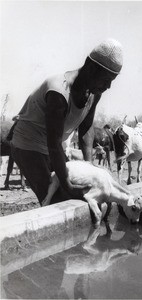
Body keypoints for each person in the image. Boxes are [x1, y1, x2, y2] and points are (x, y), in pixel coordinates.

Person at [11, 38, 123, 205]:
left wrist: (89, 166)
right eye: (106, 80)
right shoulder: (59, 91)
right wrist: (67, 185)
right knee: (56, 200)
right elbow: (54, 143)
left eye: (111, 82)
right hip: (28, 145)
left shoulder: (94, 93)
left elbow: (86, 128)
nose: (108, 87)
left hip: (52, 148)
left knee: (78, 190)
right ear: (90, 68)